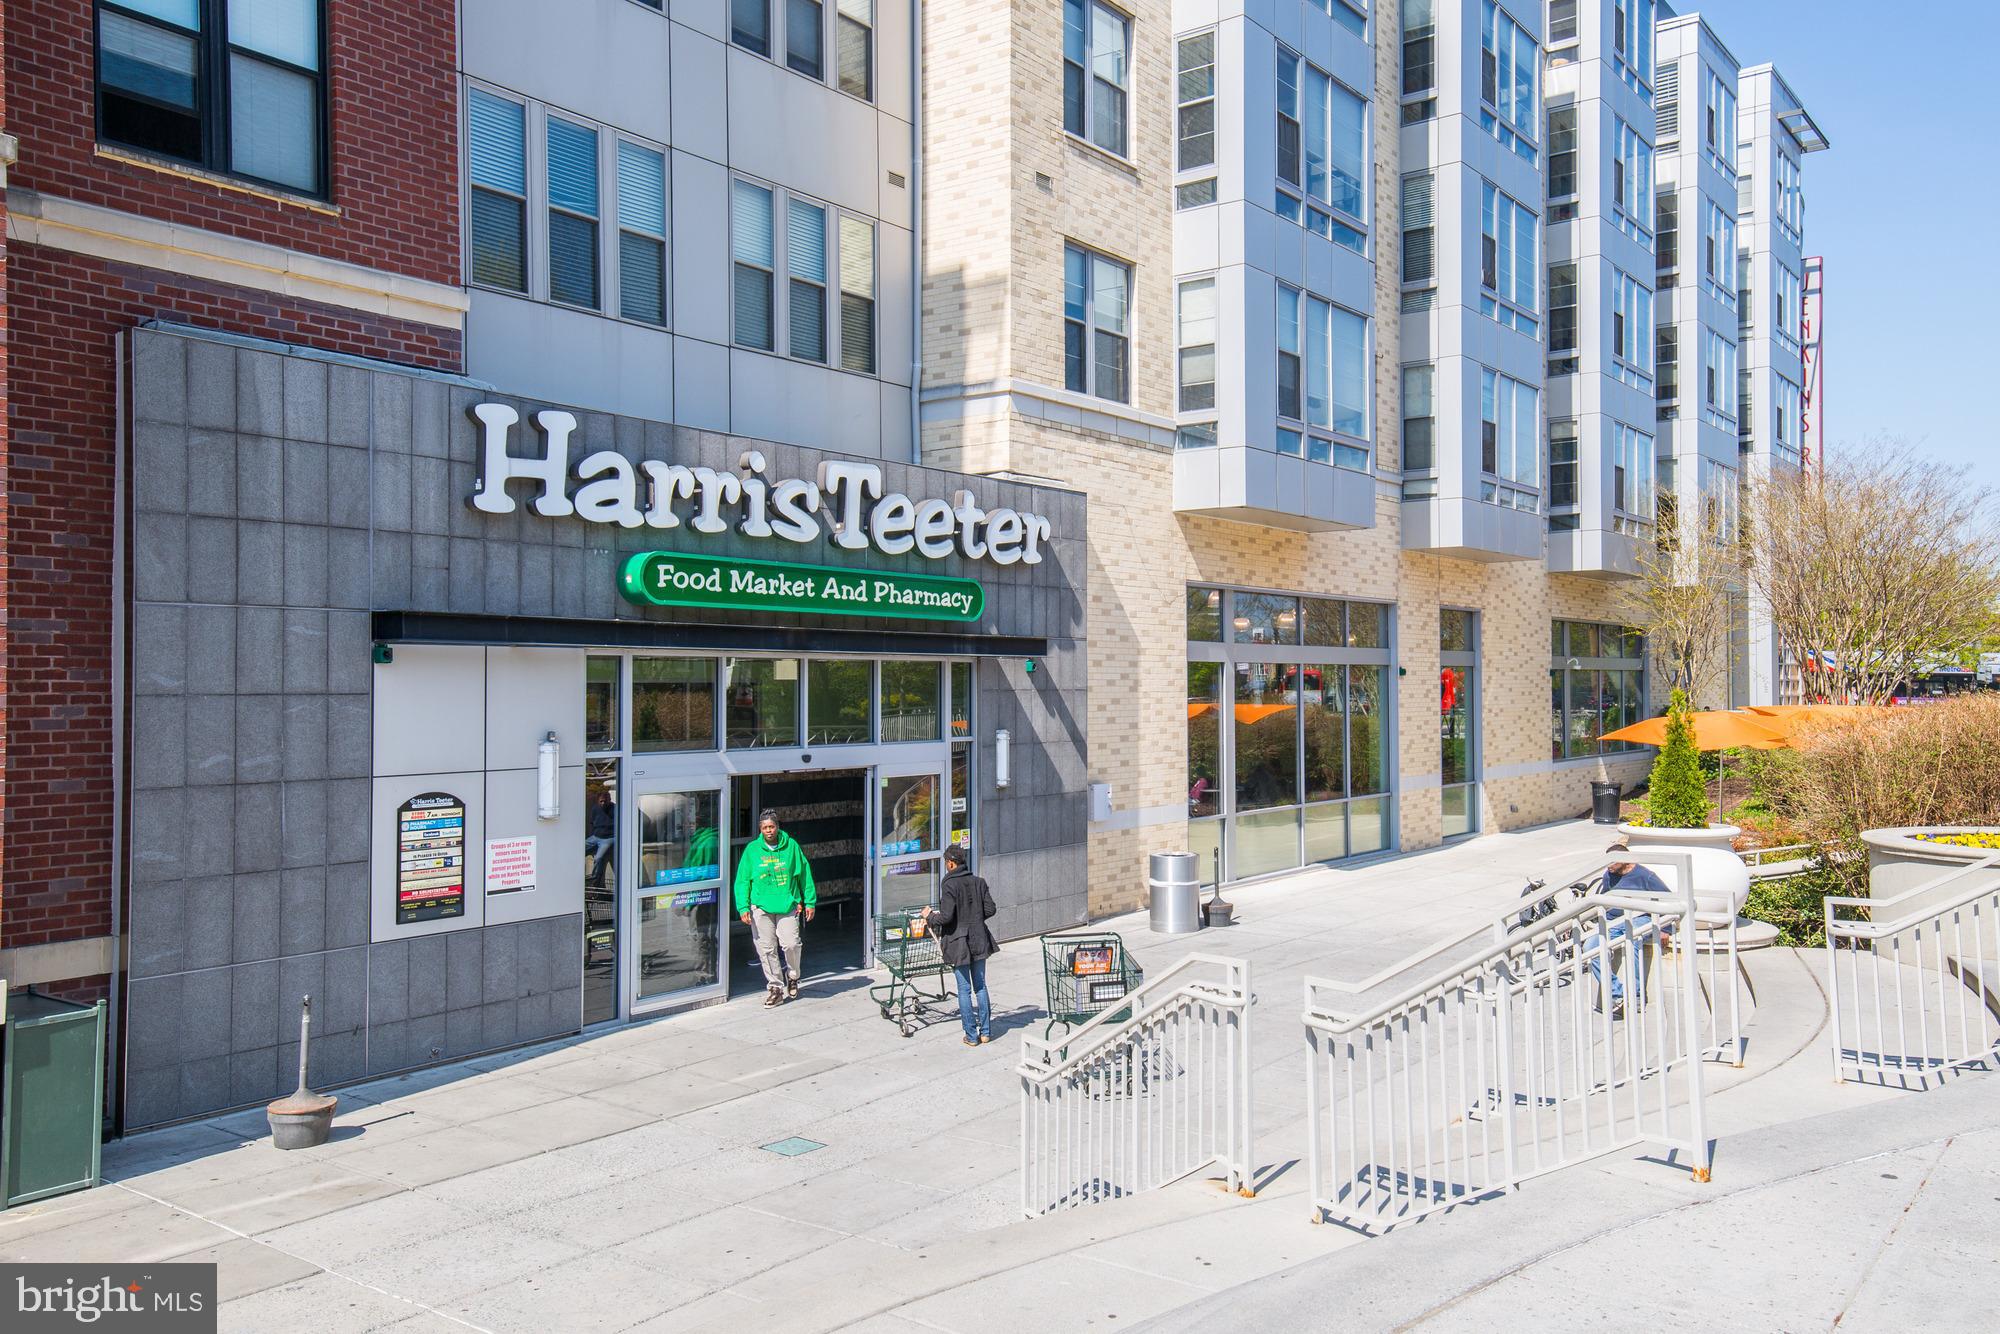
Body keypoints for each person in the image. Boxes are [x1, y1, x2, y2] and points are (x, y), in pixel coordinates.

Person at [733, 809, 816, 1006]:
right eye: (764, 828)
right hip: (761, 907)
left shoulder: (791, 847)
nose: (768, 831)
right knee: (766, 949)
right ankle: (775, 988)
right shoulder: (752, 850)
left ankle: (793, 976)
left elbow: (804, 875)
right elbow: (743, 880)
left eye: (771, 827)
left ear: (778, 827)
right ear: (760, 830)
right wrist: (743, 906)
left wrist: (810, 901)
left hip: (787, 904)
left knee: (791, 944)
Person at [922, 845, 998, 1045]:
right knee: (980, 987)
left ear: (950, 863)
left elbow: (946, 917)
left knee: (964, 989)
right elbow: (990, 909)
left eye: (946, 862)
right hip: (979, 939)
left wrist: (929, 916)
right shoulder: (978, 882)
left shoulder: (949, 885)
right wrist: (975, 917)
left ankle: (971, 1036)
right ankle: (986, 1033)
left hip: (959, 943)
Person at [1586, 841, 1674, 1012]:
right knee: (1591, 947)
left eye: (1613, 862)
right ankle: (1617, 994)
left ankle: (1637, 996)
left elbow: (1668, 901)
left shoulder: (1646, 877)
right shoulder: (1609, 875)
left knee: (1632, 939)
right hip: (1614, 921)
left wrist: (1665, 928)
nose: (1609, 866)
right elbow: (1605, 897)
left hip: (1640, 918)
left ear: (1626, 861)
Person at [585, 789, 616, 888]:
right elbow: (591, 823)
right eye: (601, 801)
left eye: (605, 801)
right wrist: (592, 835)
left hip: (608, 838)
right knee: (578, 850)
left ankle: (594, 879)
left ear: (609, 800)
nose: (603, 803)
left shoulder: (615, 809)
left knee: (598, 858)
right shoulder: (595, 808)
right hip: (596, 836)